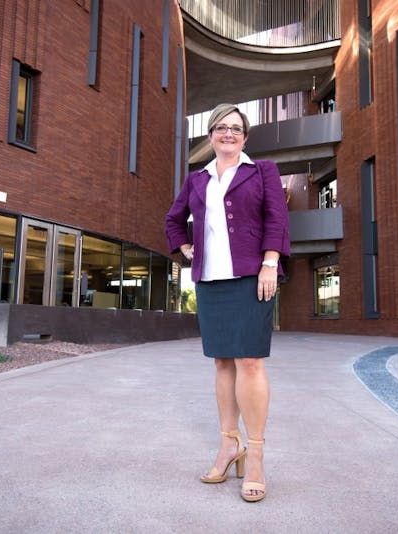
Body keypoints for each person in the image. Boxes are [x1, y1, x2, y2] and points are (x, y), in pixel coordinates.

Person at [165, 103, 290, 502]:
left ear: (245, 136)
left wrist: (270, 263)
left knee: (249, 361)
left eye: (236, 128)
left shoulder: (262, 171)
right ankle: (228, 445)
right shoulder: (197, 178)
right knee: (222, 362)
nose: (228, 134)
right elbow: (173, 220)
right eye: (221, 127)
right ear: (210, 135)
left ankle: (255, 456)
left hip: (252, 277)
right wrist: (187, 249)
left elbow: (277, 218)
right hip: (211, 281)